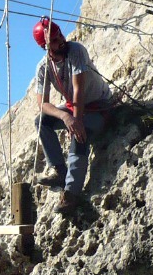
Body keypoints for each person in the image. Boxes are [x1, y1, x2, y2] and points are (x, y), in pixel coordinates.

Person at [31, 18, 112, 213]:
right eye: (55, 39)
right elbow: (42, 103)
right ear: (46, 46)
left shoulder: (75, 50)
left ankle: (72, 193)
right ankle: (60, 170)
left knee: (79, 133)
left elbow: (78, 89)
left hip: (99, 106)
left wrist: (75, 120)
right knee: (41, 121)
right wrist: (66, 117)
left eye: (60, 34)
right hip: (75, 107)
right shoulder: (44, 67)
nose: (61, 39)